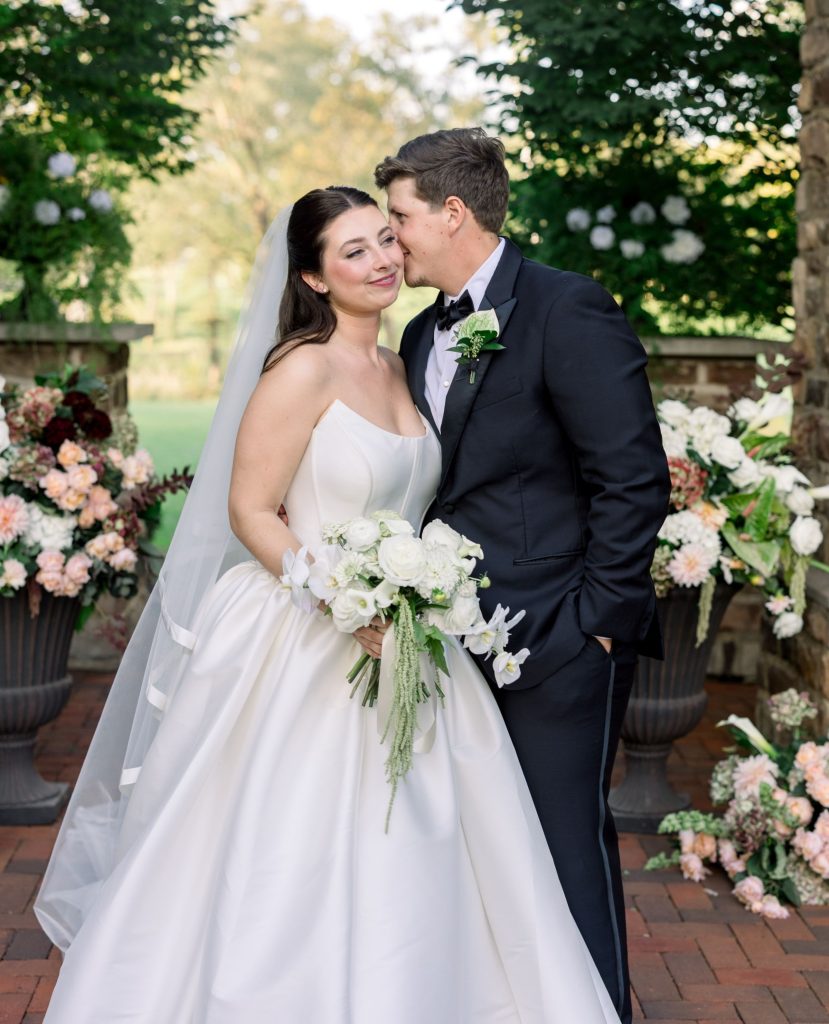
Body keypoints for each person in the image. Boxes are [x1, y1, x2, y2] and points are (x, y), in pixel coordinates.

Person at [36, 186, 621, 1023]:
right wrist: (341, 599)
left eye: (387, 238)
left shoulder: (403, 360)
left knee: (426, 845)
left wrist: (408, 598)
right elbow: (250, 510)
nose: (382, 259)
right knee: (289, 846)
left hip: (411, 633)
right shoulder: (299, 367)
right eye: (354, 251)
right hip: (306, 630)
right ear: (312, 277)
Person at [374, 128, 671, 1024]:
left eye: (399, 219)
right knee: (479, 840)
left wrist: (596, 624)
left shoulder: (564, 307)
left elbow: (630, 477)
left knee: (562, 841)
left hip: (562, 638)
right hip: (453, 640)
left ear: (452, 212)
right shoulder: (423, 330)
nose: (390, 241)